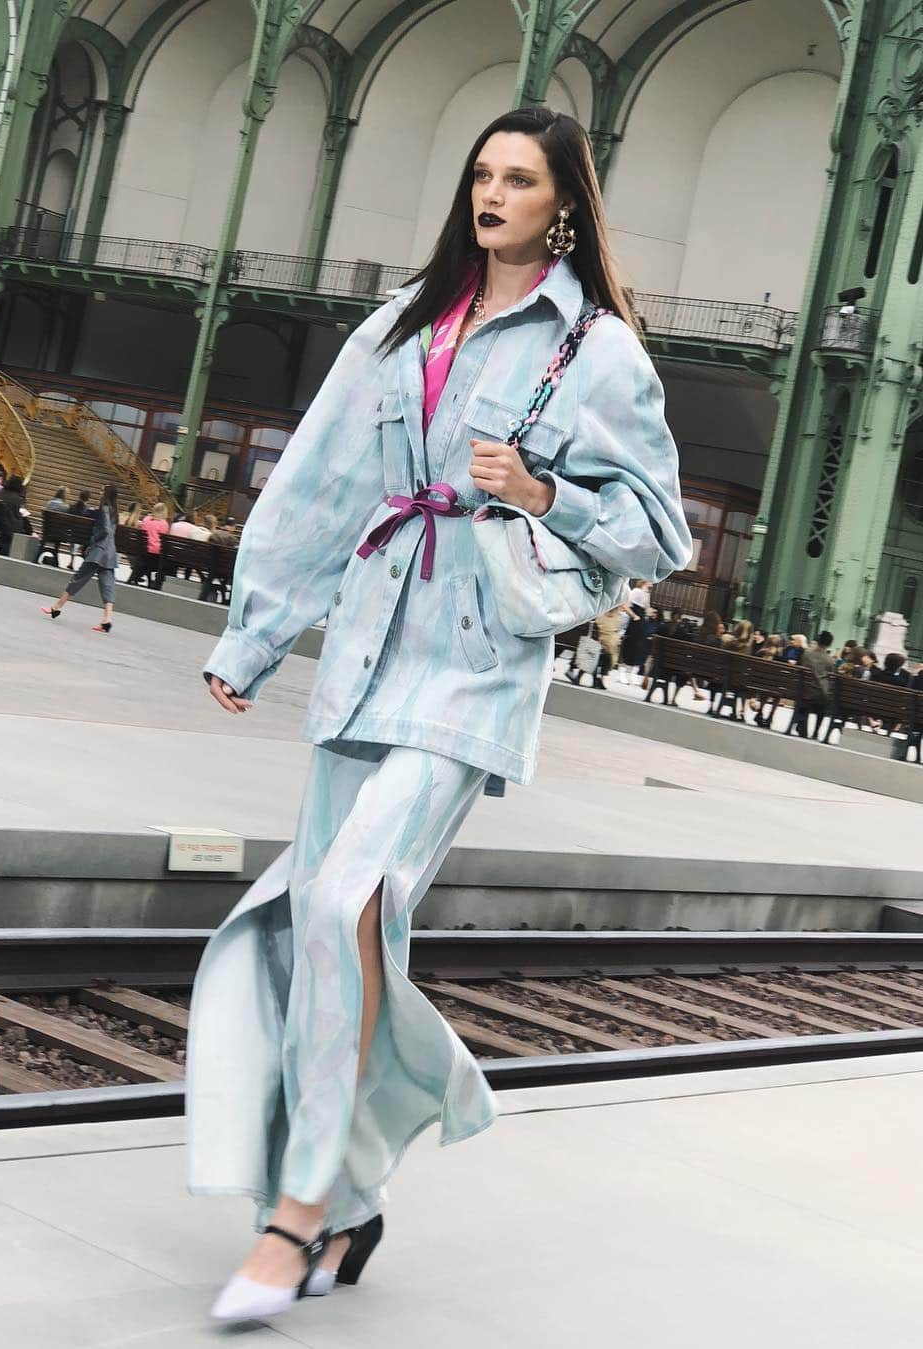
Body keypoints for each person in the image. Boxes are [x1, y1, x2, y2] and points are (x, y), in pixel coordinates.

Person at [190, 105, 690, 1323]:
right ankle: (356, 1193)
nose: (492, 193)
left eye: (518, 178)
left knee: (341, 899)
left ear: (563, 202)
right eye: (480, 173)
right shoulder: (400, 326)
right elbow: (320, 482)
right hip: (367, 648)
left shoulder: (600, 353)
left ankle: (294, 1211)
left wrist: (545, 487)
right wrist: (257, 633)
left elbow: (661, 532)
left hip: (475, 665)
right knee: (344, 930)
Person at [41, 483, 119, 633]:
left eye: (102, 490)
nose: (100, 491)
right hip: (110, 552)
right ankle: (107, 618)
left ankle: (56, 607)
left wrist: (93, 541)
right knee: (107, 584)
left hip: (98, 551)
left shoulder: (104, 509)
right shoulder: (115, 511)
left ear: (106, 494)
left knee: (79, 578)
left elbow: (106, 530)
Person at [795, 629, 836, 737]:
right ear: (829, 644)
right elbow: (831, 678)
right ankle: (816, 731)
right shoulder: (830, 661)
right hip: (820, 696)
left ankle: (803, 725)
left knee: (805, 701)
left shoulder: (806, 655)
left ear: (817, 640)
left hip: (804, 692)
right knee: (822, 703)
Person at [128, 501, 169, 586]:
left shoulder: (146, 519)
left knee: (145, 560)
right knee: (164, 561)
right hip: (156, 553)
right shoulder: (164, 524)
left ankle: (138, 575)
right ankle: (156, 582)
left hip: (143, 550)